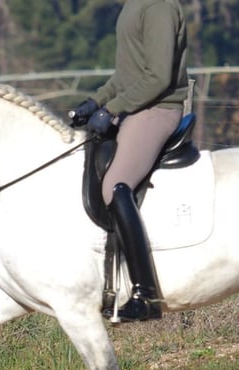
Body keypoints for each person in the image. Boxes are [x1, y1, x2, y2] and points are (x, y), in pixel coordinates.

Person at [70, 0, 189, 322]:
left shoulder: (158, 8)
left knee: (115, 185)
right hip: (136, 106)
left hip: (157, 109)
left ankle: (145, 294)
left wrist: (113, 110)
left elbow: (159, 76)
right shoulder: (133, 6)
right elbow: (126, 75)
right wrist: (95, 101)